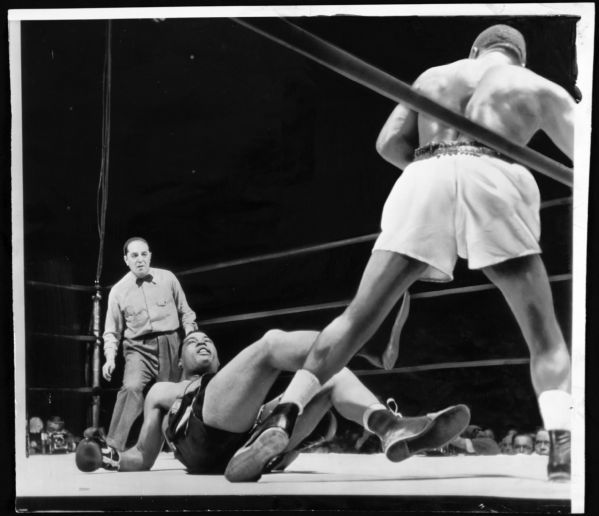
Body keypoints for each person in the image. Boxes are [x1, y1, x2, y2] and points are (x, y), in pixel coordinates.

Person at [229, 25, 574, 482]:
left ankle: (284, 412)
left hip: (424, 173)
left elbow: (388, 142)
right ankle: (563, 448)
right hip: (494, 174)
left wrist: (435, 175)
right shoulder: (537, 86)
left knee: (355, 318)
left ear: (474, 51)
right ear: (520, 59)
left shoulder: (434, 76)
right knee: (544, 337)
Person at [76, 330, 471, 480]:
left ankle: (387, 426)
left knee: (328, 379)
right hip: (202, 436)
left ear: (221, 361)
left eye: (209, 342)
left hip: (246, 436)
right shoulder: (164, 390)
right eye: (193, 342)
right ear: (181, 361)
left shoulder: (236, 390)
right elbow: (143, 456)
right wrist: (106, 458)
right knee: (270, 344)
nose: (203, 342)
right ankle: (356, 342)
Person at [102, 236, 198, 451]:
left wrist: (191, 336)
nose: (140, 259)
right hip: (138, 347)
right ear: (126, 259)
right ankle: (113, 446)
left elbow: (186, 312)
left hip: (171, 343)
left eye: (144, 254)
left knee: (175, 393)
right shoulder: (118, 291)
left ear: (150, 256)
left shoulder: (168, 278)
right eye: (134, 255)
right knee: (131, 387)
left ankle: (182, 447)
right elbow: (111, 331)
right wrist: (109, 358)